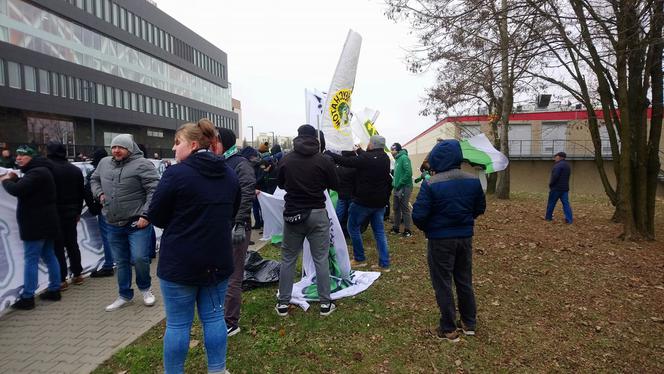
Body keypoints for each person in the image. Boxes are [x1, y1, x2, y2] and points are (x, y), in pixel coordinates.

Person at [148, 121, 239, 374]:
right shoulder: (229, 174)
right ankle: (218, 370)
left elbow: (156, 215)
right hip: (217, 260)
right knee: (213, 318)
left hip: (180, 262)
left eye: (177, 143)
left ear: (194, 144)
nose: (174, 148)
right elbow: (231, 212)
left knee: (178, 324)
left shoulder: (176, 174)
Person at [412, 140, 486, 342]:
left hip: (440, 240)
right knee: (464, 279)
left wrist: (429, 228)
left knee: (443, 282)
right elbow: (479, 208)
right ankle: (469, 323)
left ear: (436, 158)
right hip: (464, 238)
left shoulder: (431, 184)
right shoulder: (472, 181)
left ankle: (448, 328)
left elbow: (418, 215)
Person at [90, 134, 160, 312]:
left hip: (137, 223)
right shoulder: (104, 163)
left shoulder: (142, 164)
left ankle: (145, 289)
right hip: (113, 222)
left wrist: (146, 215)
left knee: (139, 258)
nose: (116, 150)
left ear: (129, 148)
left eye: (120, 147)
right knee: (120, 262)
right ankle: (124, 295)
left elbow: (154, 190)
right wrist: (99, 194)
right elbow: (94, 179)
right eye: (113, 147)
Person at [276, 124, 339, 317]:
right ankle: (325, 304)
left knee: (288, 258)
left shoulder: (286, 159)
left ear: (298, 137)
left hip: (293, 214)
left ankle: (283, 304)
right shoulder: (323, 160)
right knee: (320, 258)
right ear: (315, 138)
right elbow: (335, 184)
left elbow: (280, 183)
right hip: (317, 213)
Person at [1, 145, 62, 310]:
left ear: (31, 157)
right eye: (17, 155)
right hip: (47, 222)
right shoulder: (41, 170)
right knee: (49, 255)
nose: (18, 158)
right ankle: (55, 289)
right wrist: (16, 179)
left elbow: (17, 190)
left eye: (23, 156)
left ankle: (28, 297)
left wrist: (6, 180)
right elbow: (29, 187)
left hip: (36, 224)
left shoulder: (36, 172)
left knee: (31, 259)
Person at [326, 135, 392, 271]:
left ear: (372, 144)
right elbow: (367, 158)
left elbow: (346, 161)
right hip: (379, 203)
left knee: (352, 227)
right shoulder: (384, 158)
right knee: (379, 232)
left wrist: (330, 154)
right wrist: (359, 150)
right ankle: (384, 264)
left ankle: (360, 258)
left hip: (364, 202)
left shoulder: (366, 159)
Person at [215, 126, 256, 337]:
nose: (211, 144)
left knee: (233, 275)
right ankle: (217, 314)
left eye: (215, 140)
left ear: (225, 142)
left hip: (235, 228)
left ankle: (230, 321)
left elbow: (248, 192)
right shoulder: (217, 162)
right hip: (218, 226)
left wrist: (240, 223)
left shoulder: (240, 163)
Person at [46, 141, 85, 289]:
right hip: (72, 212)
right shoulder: (75, 170)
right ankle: (78, 274)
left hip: (54, 213)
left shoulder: (48, 168)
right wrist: (78, 212)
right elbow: (81, 192)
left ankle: (61, 279)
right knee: (72, 244)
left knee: (58, 247)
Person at [85, 149, 115, 278]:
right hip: (118, 207)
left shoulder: (94, 173)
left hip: (104, 208)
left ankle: (108, 265)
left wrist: (93, 207)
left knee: (107, 237)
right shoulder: (115, 169)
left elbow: (88, 190)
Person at [390, 143, 413, 237]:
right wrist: (394, 184)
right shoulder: (397, 160)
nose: (392, 152)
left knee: (404, 208)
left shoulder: (404, 158)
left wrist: (400, 184)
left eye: (393, 150)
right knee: (396, 208)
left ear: (398, 150)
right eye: (391, 149)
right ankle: (396, 228)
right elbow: (397, 174)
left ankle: (408, 230)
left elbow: (409, 173)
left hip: (405, 187)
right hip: (397, 187)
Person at [545, 151, 573, 223]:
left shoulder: (557, 165)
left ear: (559, 157)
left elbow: (555, 176)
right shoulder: (567, 166)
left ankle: (548, 217)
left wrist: (551, 184)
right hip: (565, 189)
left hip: (556, 188)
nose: (555, 158)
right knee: (566, 204)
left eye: (556, 156)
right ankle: (569, 219)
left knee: (551, 203)